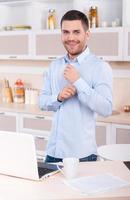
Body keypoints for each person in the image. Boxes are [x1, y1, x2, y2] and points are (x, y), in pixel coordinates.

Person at [39, 10, 113, 163]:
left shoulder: (100, 67)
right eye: (66, 32)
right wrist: (58, 97)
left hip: (82, 156)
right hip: (53, 152)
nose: (70, 38)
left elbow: (106, 108)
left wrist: (79, 82)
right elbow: (42, 102)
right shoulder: (54, 66)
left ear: (87, 34)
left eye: (76, 32)